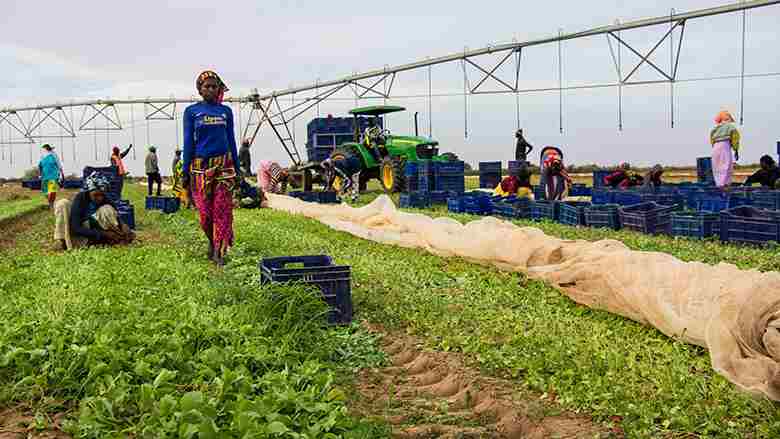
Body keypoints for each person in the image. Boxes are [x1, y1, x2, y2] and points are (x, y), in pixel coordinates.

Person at [182, 70, 240, 266]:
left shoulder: (226, 112)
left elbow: (231, 140)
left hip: (224, 166)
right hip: (200, 168)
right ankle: (211, 241)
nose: (211, 89)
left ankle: (219, 251)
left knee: (222, 211)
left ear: (218, 89)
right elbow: (188, 142)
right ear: (200, 89)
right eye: (206, 86)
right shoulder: (191, 112)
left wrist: (238, 170)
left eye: (214, 86)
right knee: (205, 215)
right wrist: (184, 174)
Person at [53, 172, 134, 251]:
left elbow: (115, 214)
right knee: (62, 204)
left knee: (107, 209)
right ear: (88, 192)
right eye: (95, 195)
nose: (99, 198)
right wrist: (104, 234)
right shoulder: (80, 199)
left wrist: (123, 225)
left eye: (101, 195)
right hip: (79, 232)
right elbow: (76, 228)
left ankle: (116, 238)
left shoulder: (106, 199)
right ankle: (62, 241)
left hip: (94, 231)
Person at [710, 110, 741, 191]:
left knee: (717, 167)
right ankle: (724, 185)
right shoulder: (731, 127)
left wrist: (715, 147)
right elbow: (735, 139)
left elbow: (711, 140)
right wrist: (736, 150)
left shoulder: (715, 128)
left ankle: (719, 185)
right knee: (726, 166)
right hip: (725, 147)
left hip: (715, 148)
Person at [38, 144, 64, 209]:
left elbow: (59, 165)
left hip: (53, 176)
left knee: (52, 190)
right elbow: (40, 166)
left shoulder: (54, 156)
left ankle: (51, 205)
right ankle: (50, 203)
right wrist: (40, 174)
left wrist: (62, 174)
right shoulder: (42, 157)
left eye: (44, 149)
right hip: (44, 176)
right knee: (45, 192)